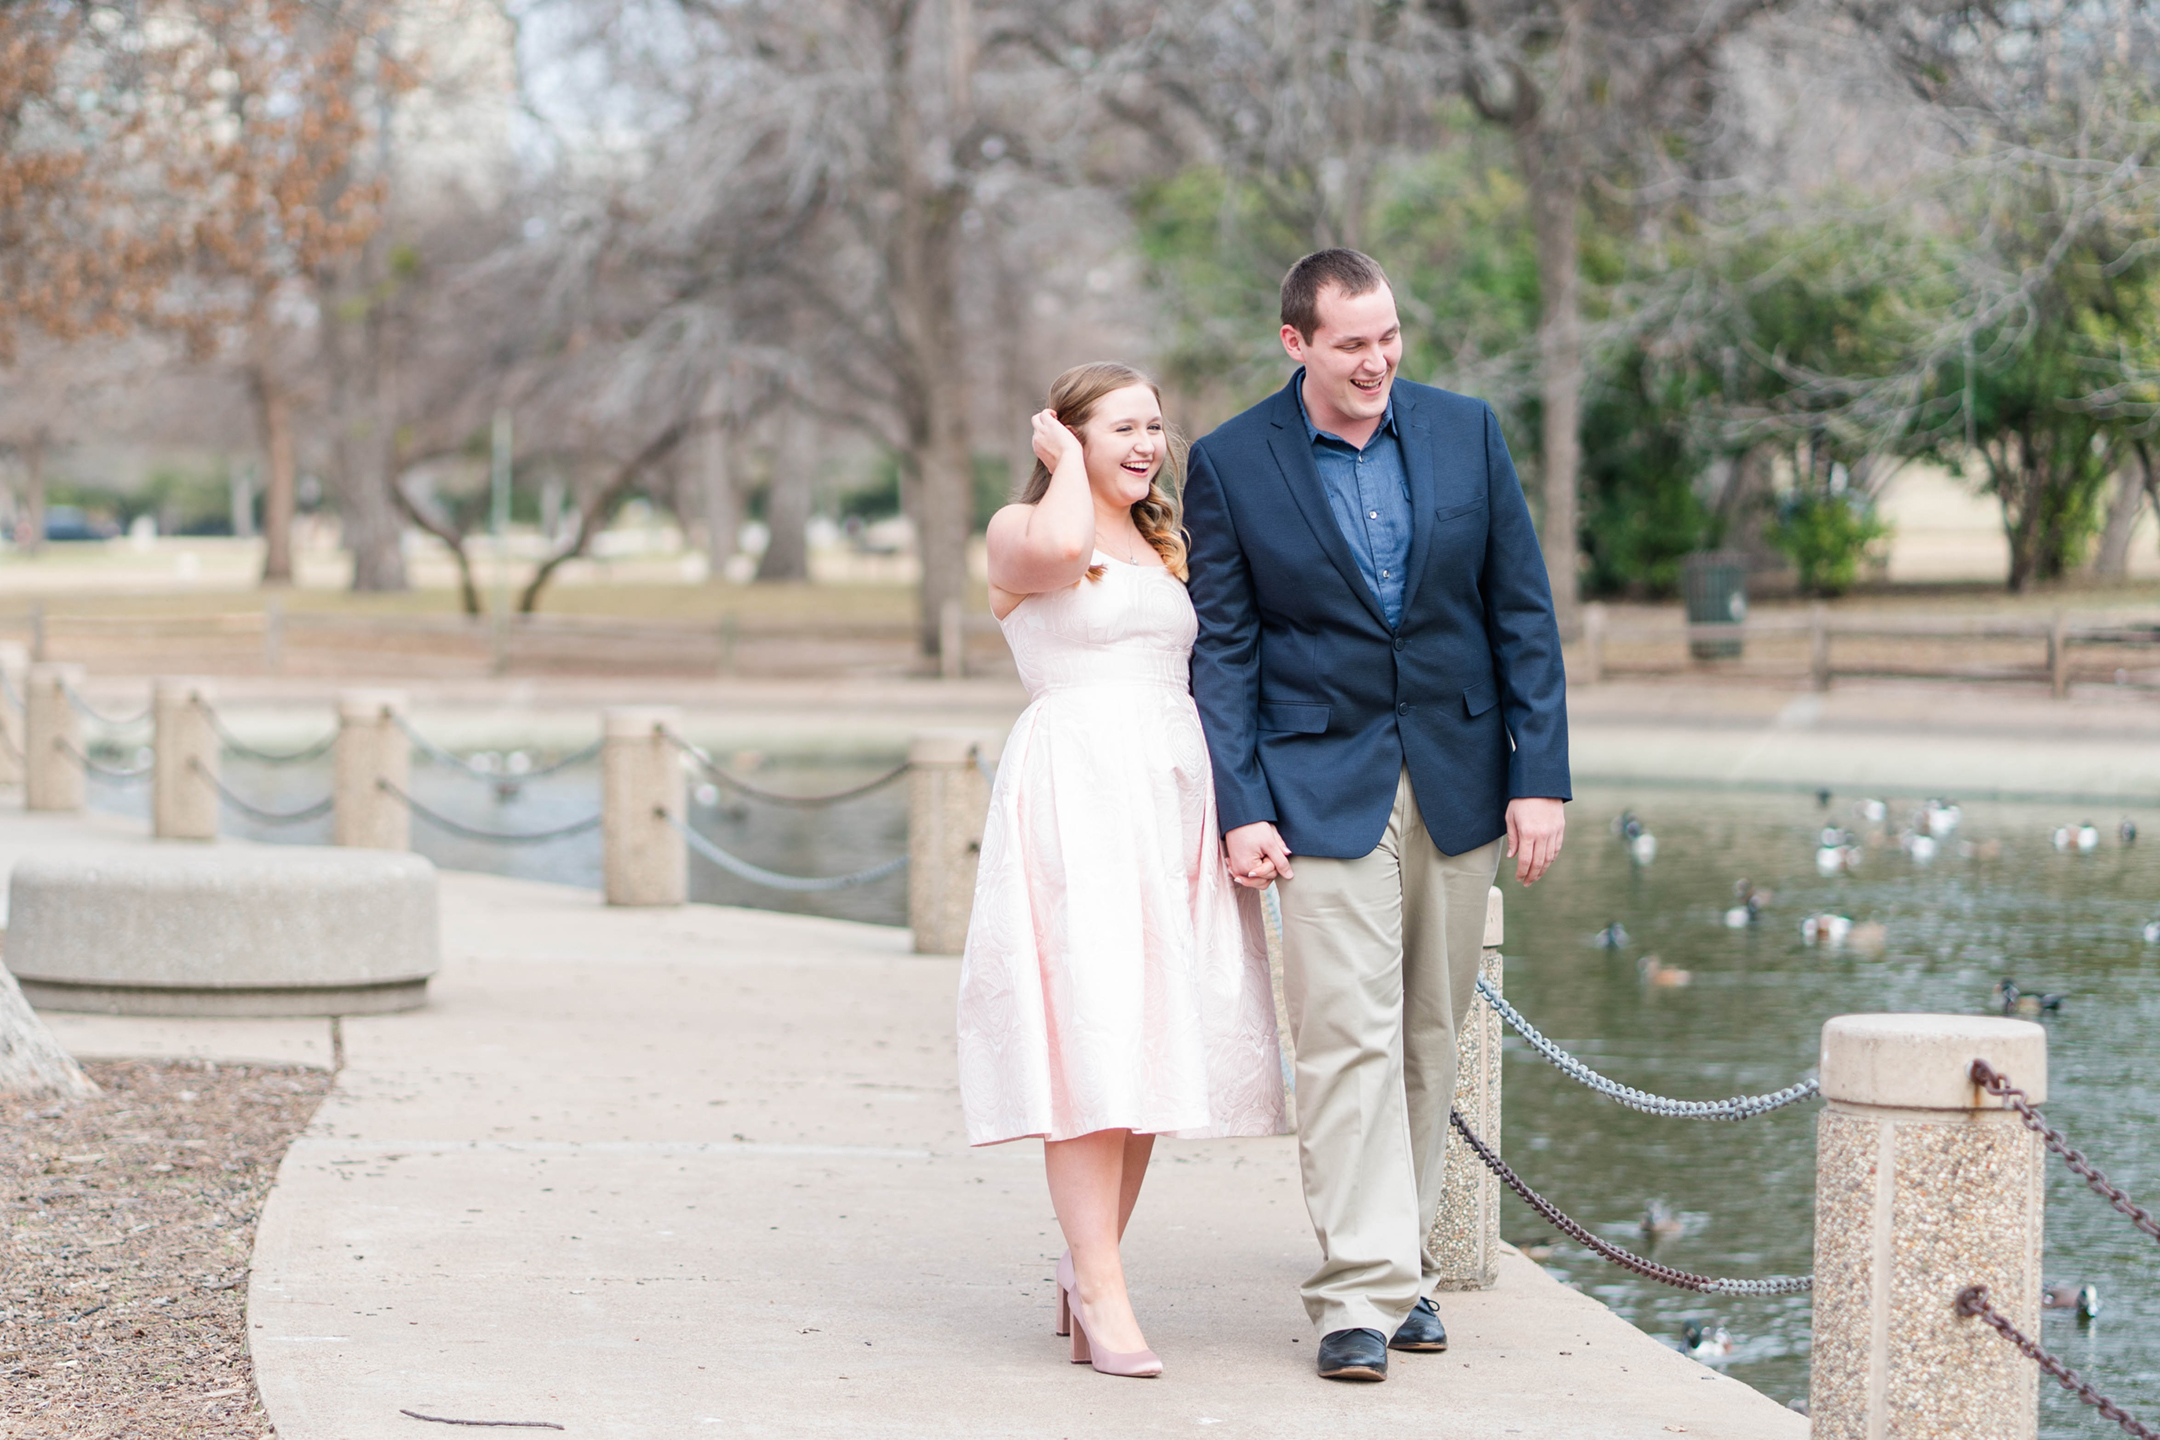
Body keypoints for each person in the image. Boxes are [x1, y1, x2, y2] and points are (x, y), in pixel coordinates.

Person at [1183, 249, 1570, 1383]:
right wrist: (1241, 805)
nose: (1376, 361)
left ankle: (1403, 1271)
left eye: (1389, 336)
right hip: (1316, 785)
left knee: (1429, 1033)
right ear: (1296, 342)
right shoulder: (1231, 462)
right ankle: (1357, 1293)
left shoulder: (1466, 431)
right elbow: (1225, 653)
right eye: (1351, 343)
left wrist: (1539, 776)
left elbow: (1522, 613)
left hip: (1460, 773)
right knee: (1344, 1036)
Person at [954, 361, 1288, 1380]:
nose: (1148, 446)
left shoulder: (1163, 540)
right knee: (1091, 1038)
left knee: (1146, 1046)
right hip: (1079, 799)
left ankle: (1086, 1262)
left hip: (1171, 801)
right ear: (1066, 435)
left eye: (1155, 427)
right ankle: (1102, 1291)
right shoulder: (1020, 531)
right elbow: (1064, 550)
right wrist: (1061, 463)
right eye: (1122, 429)